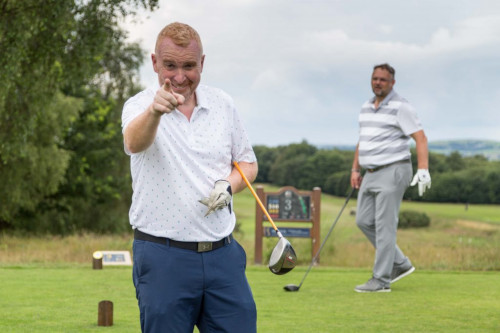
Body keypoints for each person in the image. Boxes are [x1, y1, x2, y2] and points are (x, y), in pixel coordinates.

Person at [121, 22, 258, 332]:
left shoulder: (223, 104)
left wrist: (228, 185)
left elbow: (248, 164)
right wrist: (155, 112)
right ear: (155, 62)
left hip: (223, 255)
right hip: (162, 256)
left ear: (202, 64)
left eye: (189, 66)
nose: (180, 76)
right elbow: (133, 142)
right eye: (170, 65)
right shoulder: (140, 106)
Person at [350, 63, 431, 293]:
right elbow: (362, 140)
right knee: (363, 221)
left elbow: (421, 138)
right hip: (370, 172)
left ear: (392, 83)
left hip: (393, 169)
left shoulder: (401, 107)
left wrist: (423, 169)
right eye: (375, 78)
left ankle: (381, 280)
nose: (378, 82)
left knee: (385, 227)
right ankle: (401, 263)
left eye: (383, 80)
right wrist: (355, 169)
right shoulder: (366, 107)